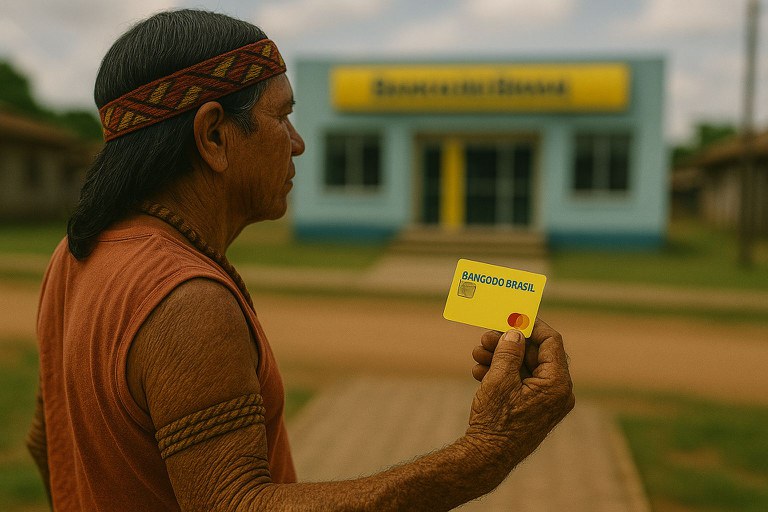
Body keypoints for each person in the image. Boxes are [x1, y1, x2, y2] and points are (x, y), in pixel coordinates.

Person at [26, 9, 574, 511]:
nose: (298, 144)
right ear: (213, 135)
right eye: (281, 117)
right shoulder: (186, 298)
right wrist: (488, 452)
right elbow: (236, 505)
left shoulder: (75, 255)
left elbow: (45, 439)